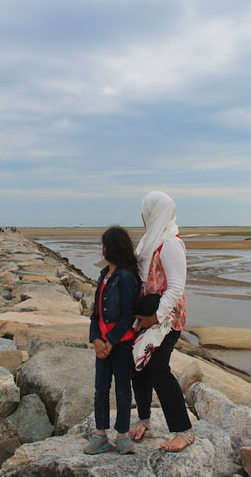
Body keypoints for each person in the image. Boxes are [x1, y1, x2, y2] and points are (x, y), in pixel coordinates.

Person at [130, 191, 195, 452]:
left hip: (167, 318)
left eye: (145, 211)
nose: (142, 216)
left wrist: (154, 318)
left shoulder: (170, 243)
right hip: (147, 317)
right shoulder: (148, 241)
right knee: (138, 364)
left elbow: (176, 287)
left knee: (157, 367)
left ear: (153, 213)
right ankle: (144, 418)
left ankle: (184, 431)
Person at [84, 226, 140, 455]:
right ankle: (100, 435)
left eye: (105, 245)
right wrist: (96, 339)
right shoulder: (103, 275)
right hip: (103, 345)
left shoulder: (127, 277)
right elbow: (95, 313)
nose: (102, 249)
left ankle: (123, 435)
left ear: (113, 248)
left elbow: (128, 314)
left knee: (123, 390)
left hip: (121, 344)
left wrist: (111, 341)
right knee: (100, 389)